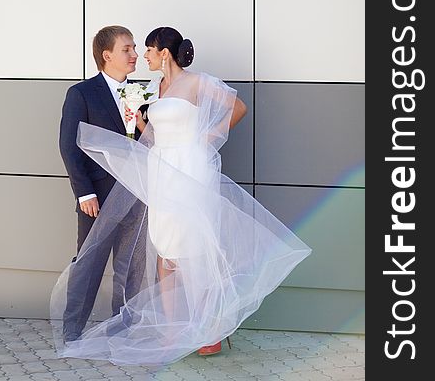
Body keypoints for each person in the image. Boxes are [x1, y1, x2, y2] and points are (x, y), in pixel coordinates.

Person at [51, 27, 311, 366]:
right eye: (133, 49)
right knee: (166, 248)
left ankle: (209, 327)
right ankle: (173, 329)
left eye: (146, 50)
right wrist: (140, 126)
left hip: (189, 167)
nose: (141, 56)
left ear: (164, 52)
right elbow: (152, 134)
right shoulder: (153, 89)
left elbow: (238, 107)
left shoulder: (197, 81)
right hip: (161, 168)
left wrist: (207, 138)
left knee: (194, 246)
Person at [57, 25, 148, 343]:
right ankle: (73, 327)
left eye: (135, 48)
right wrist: (85, 192)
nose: (135, 54)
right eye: (127, 49)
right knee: (89, 261)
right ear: (107, 55)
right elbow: (69, 146)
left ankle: (124, 326)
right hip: (97, 197)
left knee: (131, 265)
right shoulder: (81, 93)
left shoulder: (138, 93)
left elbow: (141, 144)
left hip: (135, 193)